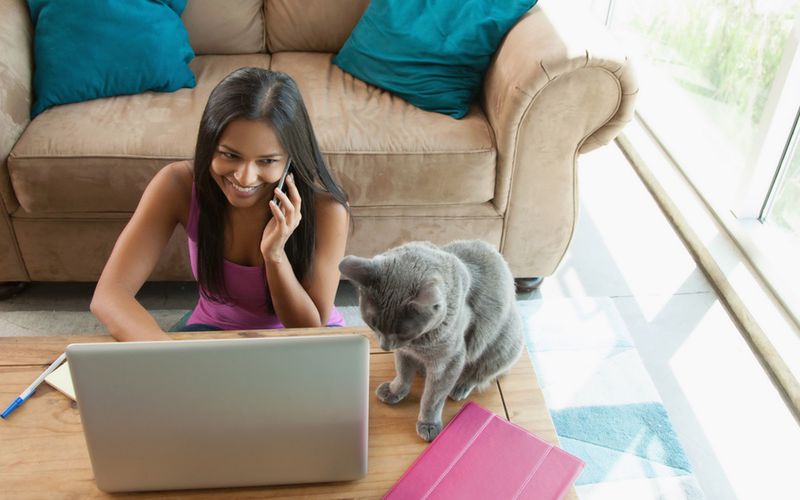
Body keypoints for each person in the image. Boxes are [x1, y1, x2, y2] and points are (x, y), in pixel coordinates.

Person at [91, 68, 350, 341]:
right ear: (209, 144)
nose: (244, 177)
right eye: (230, 155)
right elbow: (110, 295)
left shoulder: (327, 209)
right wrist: (166, 356)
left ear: (290, 159)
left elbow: (309, 328)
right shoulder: (178, 184)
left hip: (299, 338)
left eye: (267, 161)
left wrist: (275, 256)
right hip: (214, 328)